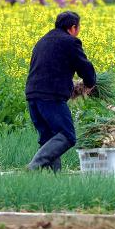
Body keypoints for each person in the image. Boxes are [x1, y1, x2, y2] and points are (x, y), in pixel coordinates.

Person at [25, 10, 96, 171]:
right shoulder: (70, 42)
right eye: (78, 28)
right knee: (67, 136)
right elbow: (84, 67)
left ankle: (55, 178)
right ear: (73, 28)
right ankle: (33, 167)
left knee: (50, 139)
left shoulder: (42, 41)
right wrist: (90, 83)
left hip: (32, 96)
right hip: (50, 97)